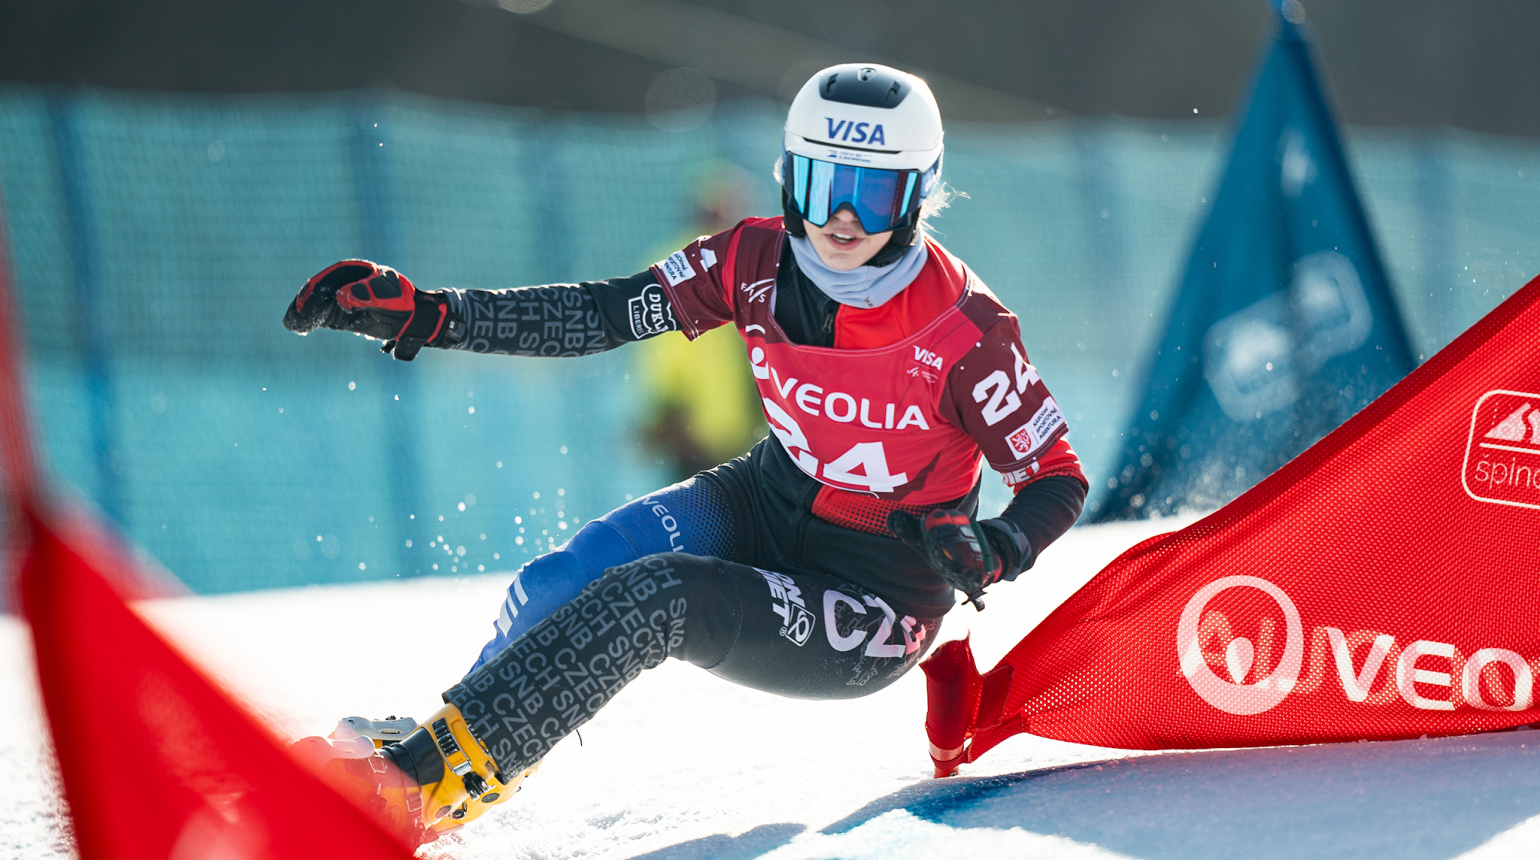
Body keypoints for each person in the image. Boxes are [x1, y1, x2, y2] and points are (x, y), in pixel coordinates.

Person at [284, 64, 1087, 846]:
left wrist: (997, 548)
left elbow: (1057, 476)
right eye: (820, 185)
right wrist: (433, 315)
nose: (842, 218)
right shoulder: (751, 260)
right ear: (787, 176)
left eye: (873, 193)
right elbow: (603, 314)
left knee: (657, 600)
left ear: (920, 192)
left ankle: (418, 787)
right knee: (560, 581)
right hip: (765, 498)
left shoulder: (966, 329)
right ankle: (439, 760)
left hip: (879, 589)